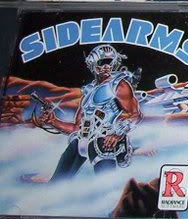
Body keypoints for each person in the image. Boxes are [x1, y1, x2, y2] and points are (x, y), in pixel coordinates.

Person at [32, 44, 142, 178]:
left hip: (104, 142)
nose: (106, 66)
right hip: (82, 141)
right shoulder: (88, 90)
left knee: (106, 184)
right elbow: (76, 127)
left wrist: (116, 134)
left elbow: (135, 115)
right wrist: (53, 121)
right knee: (57, 181)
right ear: (93, 63)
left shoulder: (119, 85)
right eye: (102, 62)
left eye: (109, 62)